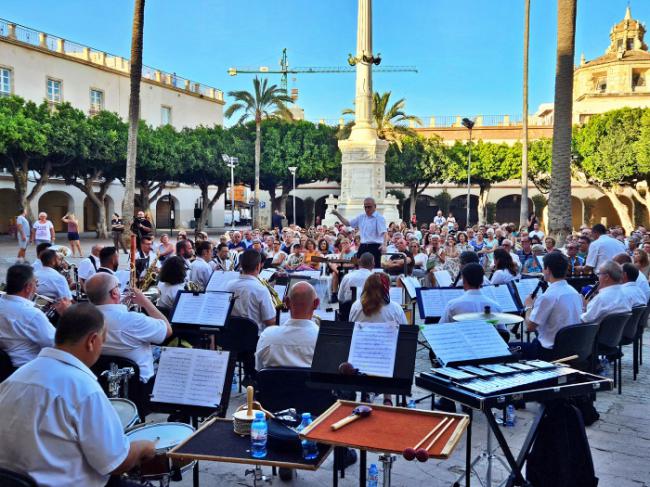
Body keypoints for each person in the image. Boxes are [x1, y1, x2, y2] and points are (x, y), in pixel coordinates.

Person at [0, 304, 156, 487]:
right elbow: (115, 463)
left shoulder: (14, 379)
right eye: (102, 341)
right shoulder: (84, 389)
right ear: (92, 340)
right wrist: (145, 447)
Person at [85, 273, 172, 385]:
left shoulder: (84, 321)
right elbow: (167, 330)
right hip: (141, 386)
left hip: (102, 384)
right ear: (114, 293)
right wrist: (145, 302)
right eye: (118, 286)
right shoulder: (133, 320)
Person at [0, 265, 69, 367]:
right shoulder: (32, 314)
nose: (36, 288)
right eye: (36, 284)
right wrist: (66, 316)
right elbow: (59, 346)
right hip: (27, 368)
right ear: (28, 287)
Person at [518, 252, 582, 359]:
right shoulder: (574, 292)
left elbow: (530, 327)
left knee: (508, 349)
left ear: (547, 270)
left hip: (549, 352)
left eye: (543, 268)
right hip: (571, 348)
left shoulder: (548, 296)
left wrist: (528, 307)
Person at [255, 281, 320, 370]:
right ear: (316, 303)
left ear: (287, 302)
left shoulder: (266, 337)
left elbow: (259, 372)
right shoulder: (325, 340)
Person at [225, 250, 276, 334]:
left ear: (241, 265)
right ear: (258, 266)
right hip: (254, 341)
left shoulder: (229, 286)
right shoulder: (261, 290)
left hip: (230, 337)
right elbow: (270, 322)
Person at [331, 197, 388, 268]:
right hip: (363, 246)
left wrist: (384, 245)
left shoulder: (379, 218)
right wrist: (338, 214)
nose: (367, 209)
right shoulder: (361, 217)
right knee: (359, 267)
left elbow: (384, 233)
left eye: (369, 207)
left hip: (375, 247)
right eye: (365, 207)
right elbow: (348, 223)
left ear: (375, 206)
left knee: (374, 268)